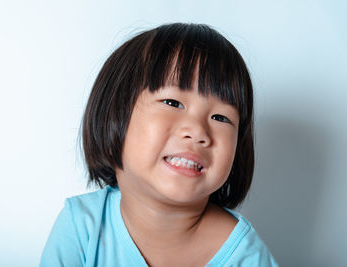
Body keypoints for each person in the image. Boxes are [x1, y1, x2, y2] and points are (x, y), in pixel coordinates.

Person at [40, 23, 278, 267]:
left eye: (221, 118)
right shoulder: (82, 227)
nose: (198, 132)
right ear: (115, 115)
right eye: (173, 103)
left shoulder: (246, 256)